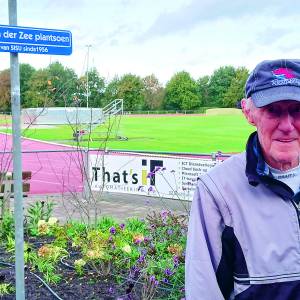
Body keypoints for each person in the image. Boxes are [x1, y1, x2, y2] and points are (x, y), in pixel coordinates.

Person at [185, 59, 300, 300]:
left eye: (298, 110)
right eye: (273, 110)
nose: (288, 125)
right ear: (249, 112)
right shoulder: (217, 190)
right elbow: (203, 289)